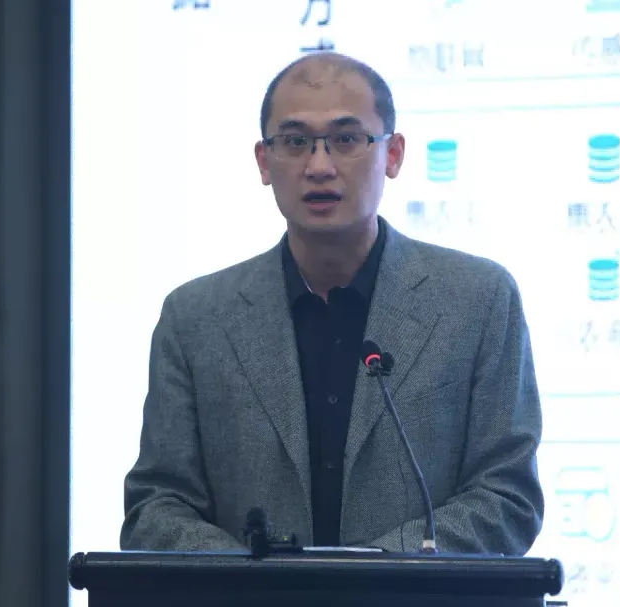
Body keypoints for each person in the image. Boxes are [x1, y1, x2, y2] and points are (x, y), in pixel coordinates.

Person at [120, 51, 544, 555]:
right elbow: (156, 506)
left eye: (346, 140)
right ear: (264, 161)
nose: (319, 166)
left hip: (411, 594)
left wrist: (374, 572)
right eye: (295, 142)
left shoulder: (478, 301)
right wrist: (258, 579)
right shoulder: (195, 319)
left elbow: (507, 497)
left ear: (393, 155)